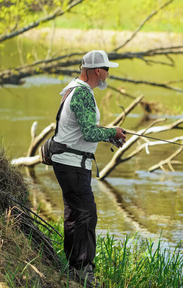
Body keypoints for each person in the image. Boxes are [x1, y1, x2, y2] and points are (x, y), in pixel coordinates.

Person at [51, 50, 126, 287]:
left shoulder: (75, 88)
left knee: (76, 215)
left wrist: (109, 136)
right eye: (106, 70)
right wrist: (111, 132)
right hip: (71, 164)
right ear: (97, 71)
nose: (107, 74)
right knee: (86, 215)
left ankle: (75, 268)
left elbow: (83, 129)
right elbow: (88, 132)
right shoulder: (82, 94)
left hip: (71, 163)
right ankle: (83, 271)